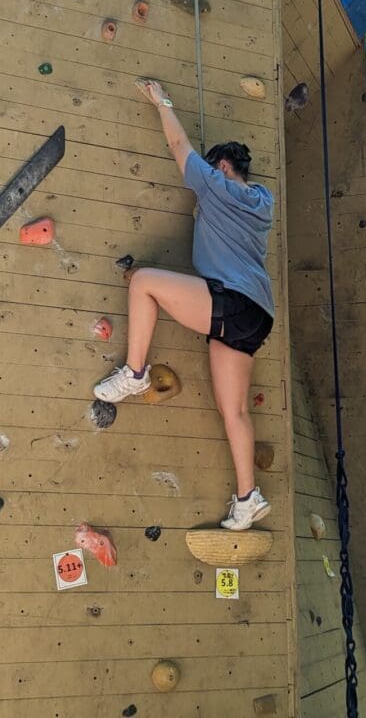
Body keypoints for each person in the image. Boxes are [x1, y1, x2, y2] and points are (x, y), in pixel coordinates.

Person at [93, 78, 275, 531]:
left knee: (144, 283)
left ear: (224, 166)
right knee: (233, 411)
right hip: (257, 316)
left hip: (231, 301)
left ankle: (135, 375)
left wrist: (162, 101)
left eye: (213, 169)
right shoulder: (262, 203)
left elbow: (178, 144)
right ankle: (248, 498)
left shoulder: (218, 185)